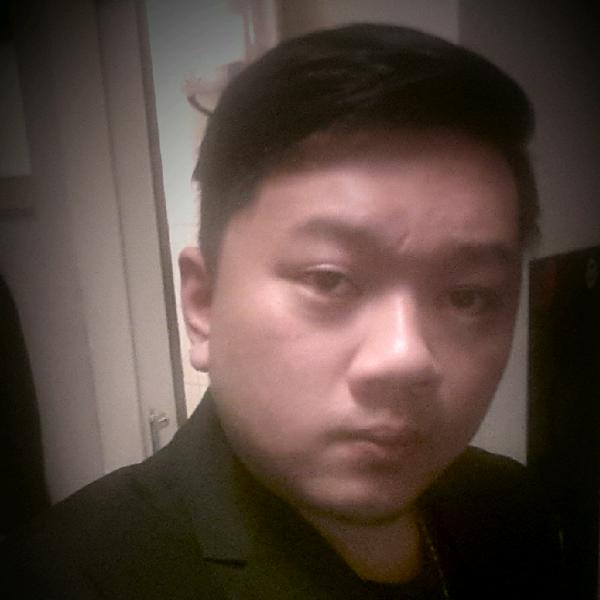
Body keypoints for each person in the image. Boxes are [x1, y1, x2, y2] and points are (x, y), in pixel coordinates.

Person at [2, 23, 563, 599]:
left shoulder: (514, 511)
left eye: (468, 296)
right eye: (329, 279)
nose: (405, 358)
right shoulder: (64, 579)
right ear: (202, 303)